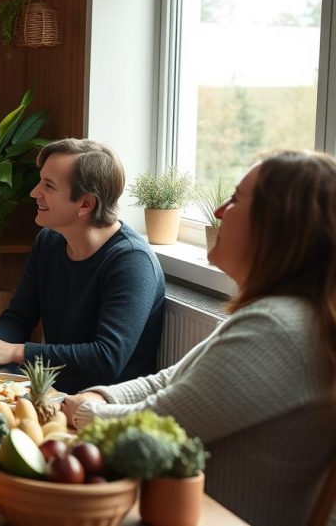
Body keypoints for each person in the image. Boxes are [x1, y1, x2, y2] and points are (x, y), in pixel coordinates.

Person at [62, 150, 336, 525]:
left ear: (278, 225)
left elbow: (162, 424)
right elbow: (170, 380)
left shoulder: (278, 330)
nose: (220, 211)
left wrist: (81, 411)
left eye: (237, 199)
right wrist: (102, 395)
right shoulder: (280, 314)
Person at [0, 138, 165, 393]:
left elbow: (106, 358)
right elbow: (19, 317)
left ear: (85, 204)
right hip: (50, 390)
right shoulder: (49, 241)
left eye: (48, 186)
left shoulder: (132, 262)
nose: (34, 192)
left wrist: (15, 352)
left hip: (104, 405)